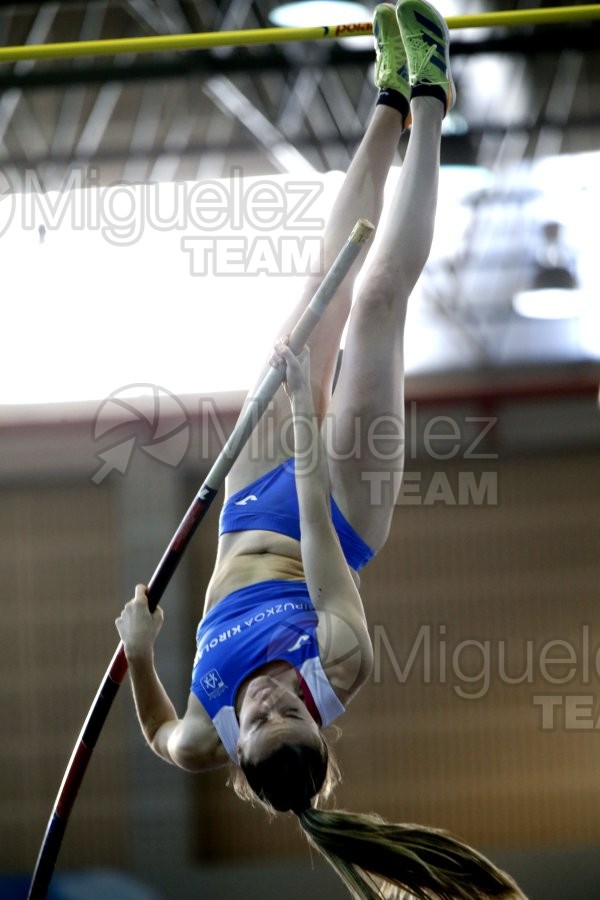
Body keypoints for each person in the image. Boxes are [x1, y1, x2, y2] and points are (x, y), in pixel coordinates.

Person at [116, 2, 527, 897]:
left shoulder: (201, 735)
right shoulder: (341, 660)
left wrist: (142, 651)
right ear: (319, 721)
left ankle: (385, 97)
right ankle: (430, 95)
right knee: (374, 303)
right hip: (334, 514)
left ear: (236, 748)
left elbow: (157, 735)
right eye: (296, 716)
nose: (275, 701)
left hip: (243, 502)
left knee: (317, 285)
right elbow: (315, 519)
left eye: (261, 718)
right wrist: (303, 402)